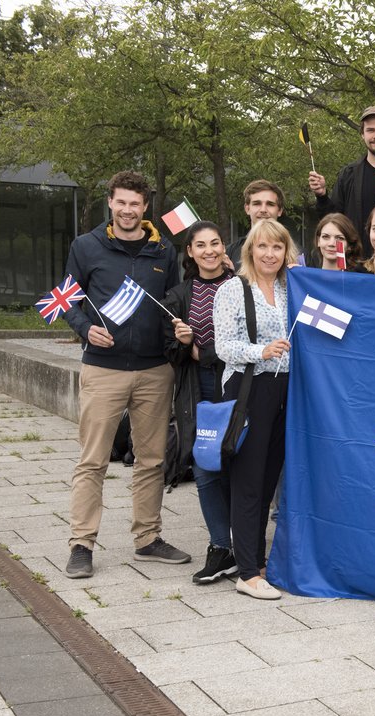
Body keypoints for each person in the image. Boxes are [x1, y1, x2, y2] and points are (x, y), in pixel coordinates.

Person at [62, 170, 192, 578]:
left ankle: (148, 538)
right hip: (103, 370)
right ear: (110, 203)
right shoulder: (86, 246)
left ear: (145, 206)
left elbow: (176, 301)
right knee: (92, 461)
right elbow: (64, 299)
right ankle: (82, 544)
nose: (128, 210)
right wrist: (85, 328)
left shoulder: (164, 252)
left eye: (135, 204)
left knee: (151, 460)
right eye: (121, 202)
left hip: (155, 371)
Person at [213, 219, 298, 600]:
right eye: (262, 247)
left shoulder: (290, 288)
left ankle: (258, 562)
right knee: (248, 480)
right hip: (250, 389)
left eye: (277, 247)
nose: (270, 254)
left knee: (267, 481)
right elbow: (223, 346)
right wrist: (259, 351)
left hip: (286, 390)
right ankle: (246, 572)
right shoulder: (233, 289)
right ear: (250, 250)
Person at [164, 221, 238, 584]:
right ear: (190, 252)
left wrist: (201, 350)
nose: (209, 250)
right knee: (207, 466)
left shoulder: (242, 287)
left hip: (240, 385)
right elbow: (171, 354)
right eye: (200, 245)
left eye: (215, 243)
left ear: (224, 247)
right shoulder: (180, 296)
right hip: (202, 391)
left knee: (242, 463)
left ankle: (249, 544)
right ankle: (220, 546)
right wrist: (182, 343)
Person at [309, 105, 375, 256]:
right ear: (362, 134)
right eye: (370, 130)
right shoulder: (348, 175)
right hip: (355, 264)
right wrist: (322, 196)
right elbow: (333, 221)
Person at [226, 180, 286, 266]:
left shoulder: (298, 255)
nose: (263, 210)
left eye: (270, 204)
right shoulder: (230, 253)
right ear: (247, 209)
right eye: (257, 204)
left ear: (279, 210)